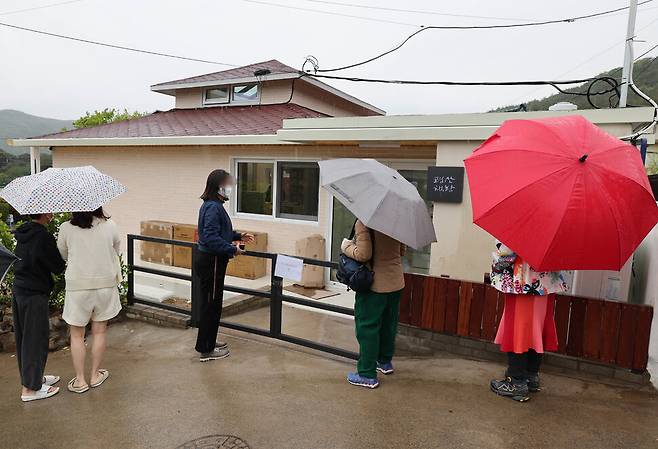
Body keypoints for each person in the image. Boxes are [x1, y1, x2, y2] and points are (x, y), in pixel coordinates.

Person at [489, 241, 568, 402]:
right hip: (546, 284)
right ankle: (531, 375)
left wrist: (495, 263)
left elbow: (506, 255)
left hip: (522, 282)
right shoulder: (556, 226)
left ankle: (516, 381)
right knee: (536, 330)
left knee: (519, 330)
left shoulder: (525, 222)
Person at [57, 207, 122, 394]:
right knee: (99, 332)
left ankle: (80, 380)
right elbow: (116, 251)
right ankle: (95, 375)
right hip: (105, 285)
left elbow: (63, 254)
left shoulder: (66, 228)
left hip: (78, 287)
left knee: (77, 335)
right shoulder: (110, 226)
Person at [196, 169, 253, 362]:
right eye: (228, 184)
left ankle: (209, 342)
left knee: (213, 304)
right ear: (218, 186)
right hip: (211, 261)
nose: (230, 188)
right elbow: (210, 237)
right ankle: (206, 350)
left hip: (212, 261)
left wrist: (237, 236)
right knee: (211, 305)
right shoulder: (213, 207)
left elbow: (218, 231)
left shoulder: (213, 205)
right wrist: (232, 250)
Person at [341, 219, 405, 389]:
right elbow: (402, 251)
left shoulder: (365, 222)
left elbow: (364, 254)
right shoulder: (397, 222)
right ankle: (384, 362)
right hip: (396, 282)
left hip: (375, 284)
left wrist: (346, 246)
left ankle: (367, 374)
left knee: (367, 328)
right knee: (388, 325)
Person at [12, 213, 66, 402]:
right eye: (49, 211)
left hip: (19, 289)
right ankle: (30, 390)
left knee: (25, 338)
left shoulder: (23, 232)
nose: (51, 214)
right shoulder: (42, 235)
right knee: (35, 338)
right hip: (34, 292)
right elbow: (57, 266)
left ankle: (33, 379)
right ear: (43, 213)